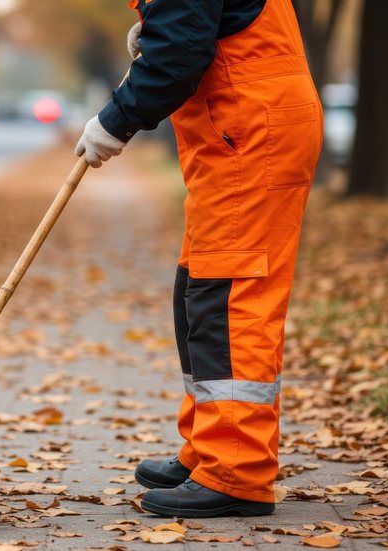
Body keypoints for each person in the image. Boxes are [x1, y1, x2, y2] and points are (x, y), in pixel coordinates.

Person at [76, 0, 322, 517]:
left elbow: (179, 56)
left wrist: (114, 121)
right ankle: (208, 448)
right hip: (236, 134)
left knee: (228, 298)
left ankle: (236, 469)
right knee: (197, 291)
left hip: (252, 136)